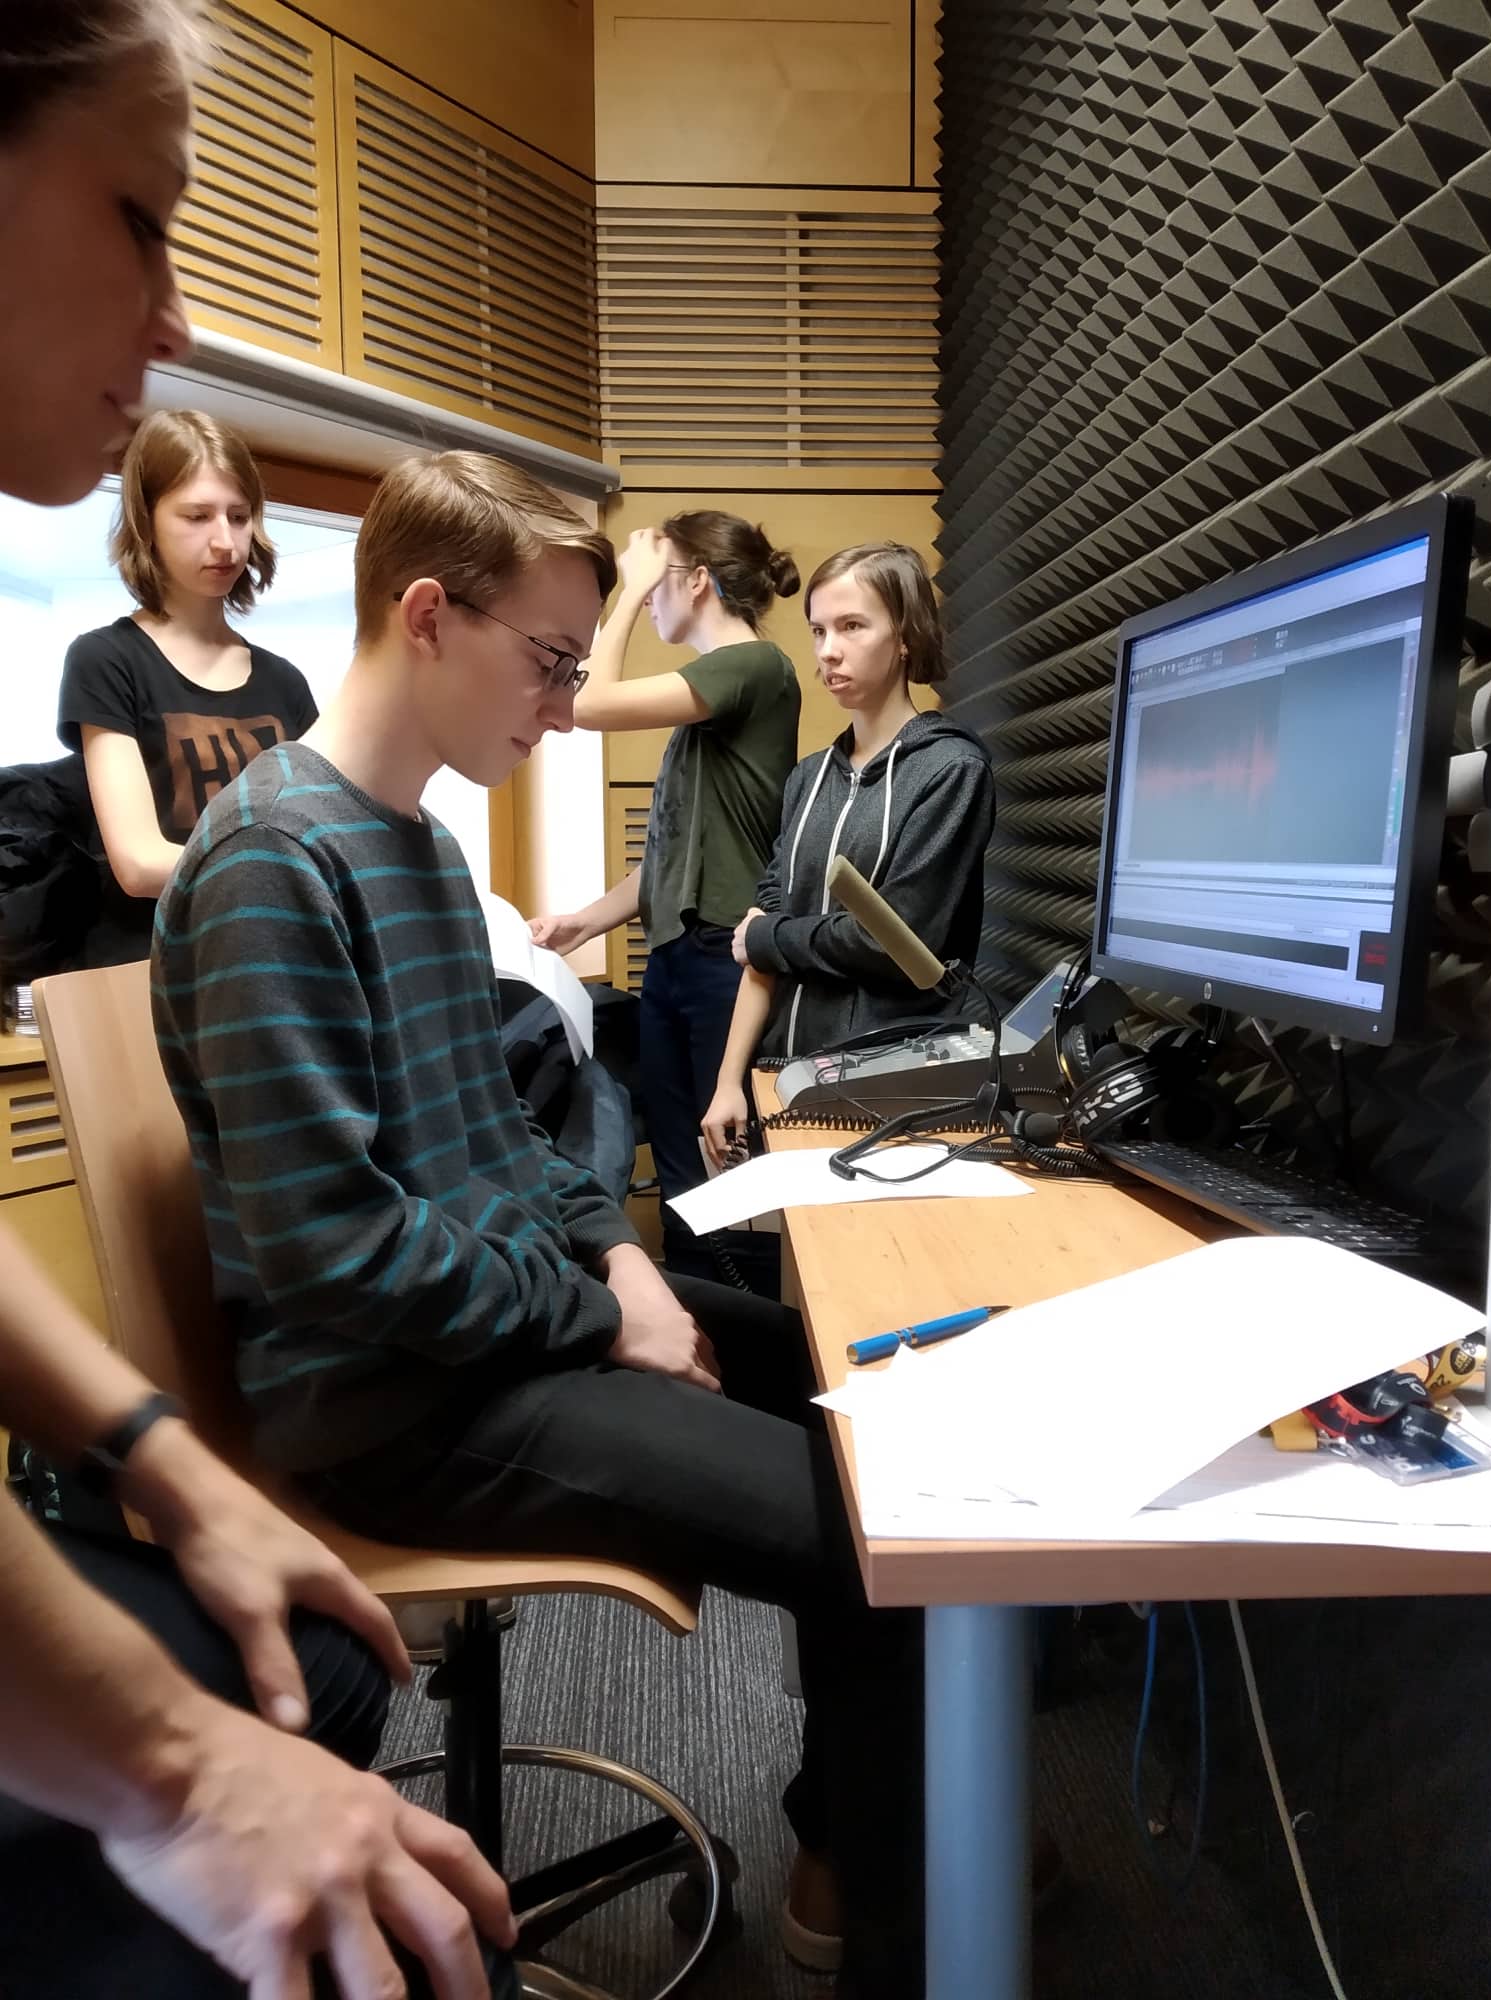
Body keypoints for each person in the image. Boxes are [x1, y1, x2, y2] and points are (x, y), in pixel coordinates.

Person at [152, 450, 925, 1998]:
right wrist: (601, 1316)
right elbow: (336, 1255)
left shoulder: (423, 850)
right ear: (429, 616)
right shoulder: (271, 863)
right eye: (554, 662)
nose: (569, 706)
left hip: (487, 1336)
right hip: (391, 1401)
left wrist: (626, 1257)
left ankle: (878, 1821)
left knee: (866, 1385)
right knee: (869, 1535)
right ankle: (897, 1894)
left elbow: (508, 1138)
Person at [0, 6, 516, 1996]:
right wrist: (171, 1769)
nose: (178, 309)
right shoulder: (126, 690)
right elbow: (152, 857)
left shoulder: (304, 720)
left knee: (302, 1662)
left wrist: (157, 1450)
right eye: (139, 215)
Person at [528, 513, 801, 1275]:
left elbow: (584, 705)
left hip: (727, 960)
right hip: (678, 958)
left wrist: (627, 591)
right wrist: (583, 924)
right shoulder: (702, 709)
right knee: (682, 1184)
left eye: (657, 583)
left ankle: (748, 1338)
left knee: (728, 1186)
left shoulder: (755, 665)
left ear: (697, 580)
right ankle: (698, 1329)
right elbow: (668, 859)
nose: (648, 600)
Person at [701, 542, 996, 1165]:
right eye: (818, 630)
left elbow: (896, 943)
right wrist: (729, 1082)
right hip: (783, 1078)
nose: (828, 651)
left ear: (905, 635)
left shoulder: (951, 769)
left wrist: (771, 937)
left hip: (888, 1088)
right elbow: (760, 937)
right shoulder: (807, 779)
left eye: (852, 626)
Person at [58, 406, 317, 963]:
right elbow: (138, 863)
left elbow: (326, 831)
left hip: (273, 961)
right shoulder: (106, 660)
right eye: (197, 516)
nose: (226, 542)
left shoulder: (286, 682)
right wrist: (288, 877)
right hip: (157, 970)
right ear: (147, 523)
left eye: (239, 516)